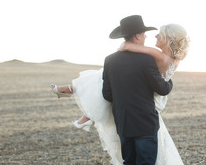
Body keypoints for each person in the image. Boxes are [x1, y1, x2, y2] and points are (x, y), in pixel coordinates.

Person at [51, 15, 190, 165]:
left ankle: (83, 104)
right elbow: (162, 88)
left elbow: (107, 94)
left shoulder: (110, 60)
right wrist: (168, 82)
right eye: (144, 33)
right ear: (137, 35)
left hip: (123, 122)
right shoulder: (148, 59)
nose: (148, 36)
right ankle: (83, 106)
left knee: (128, 162)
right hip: (145, 122)